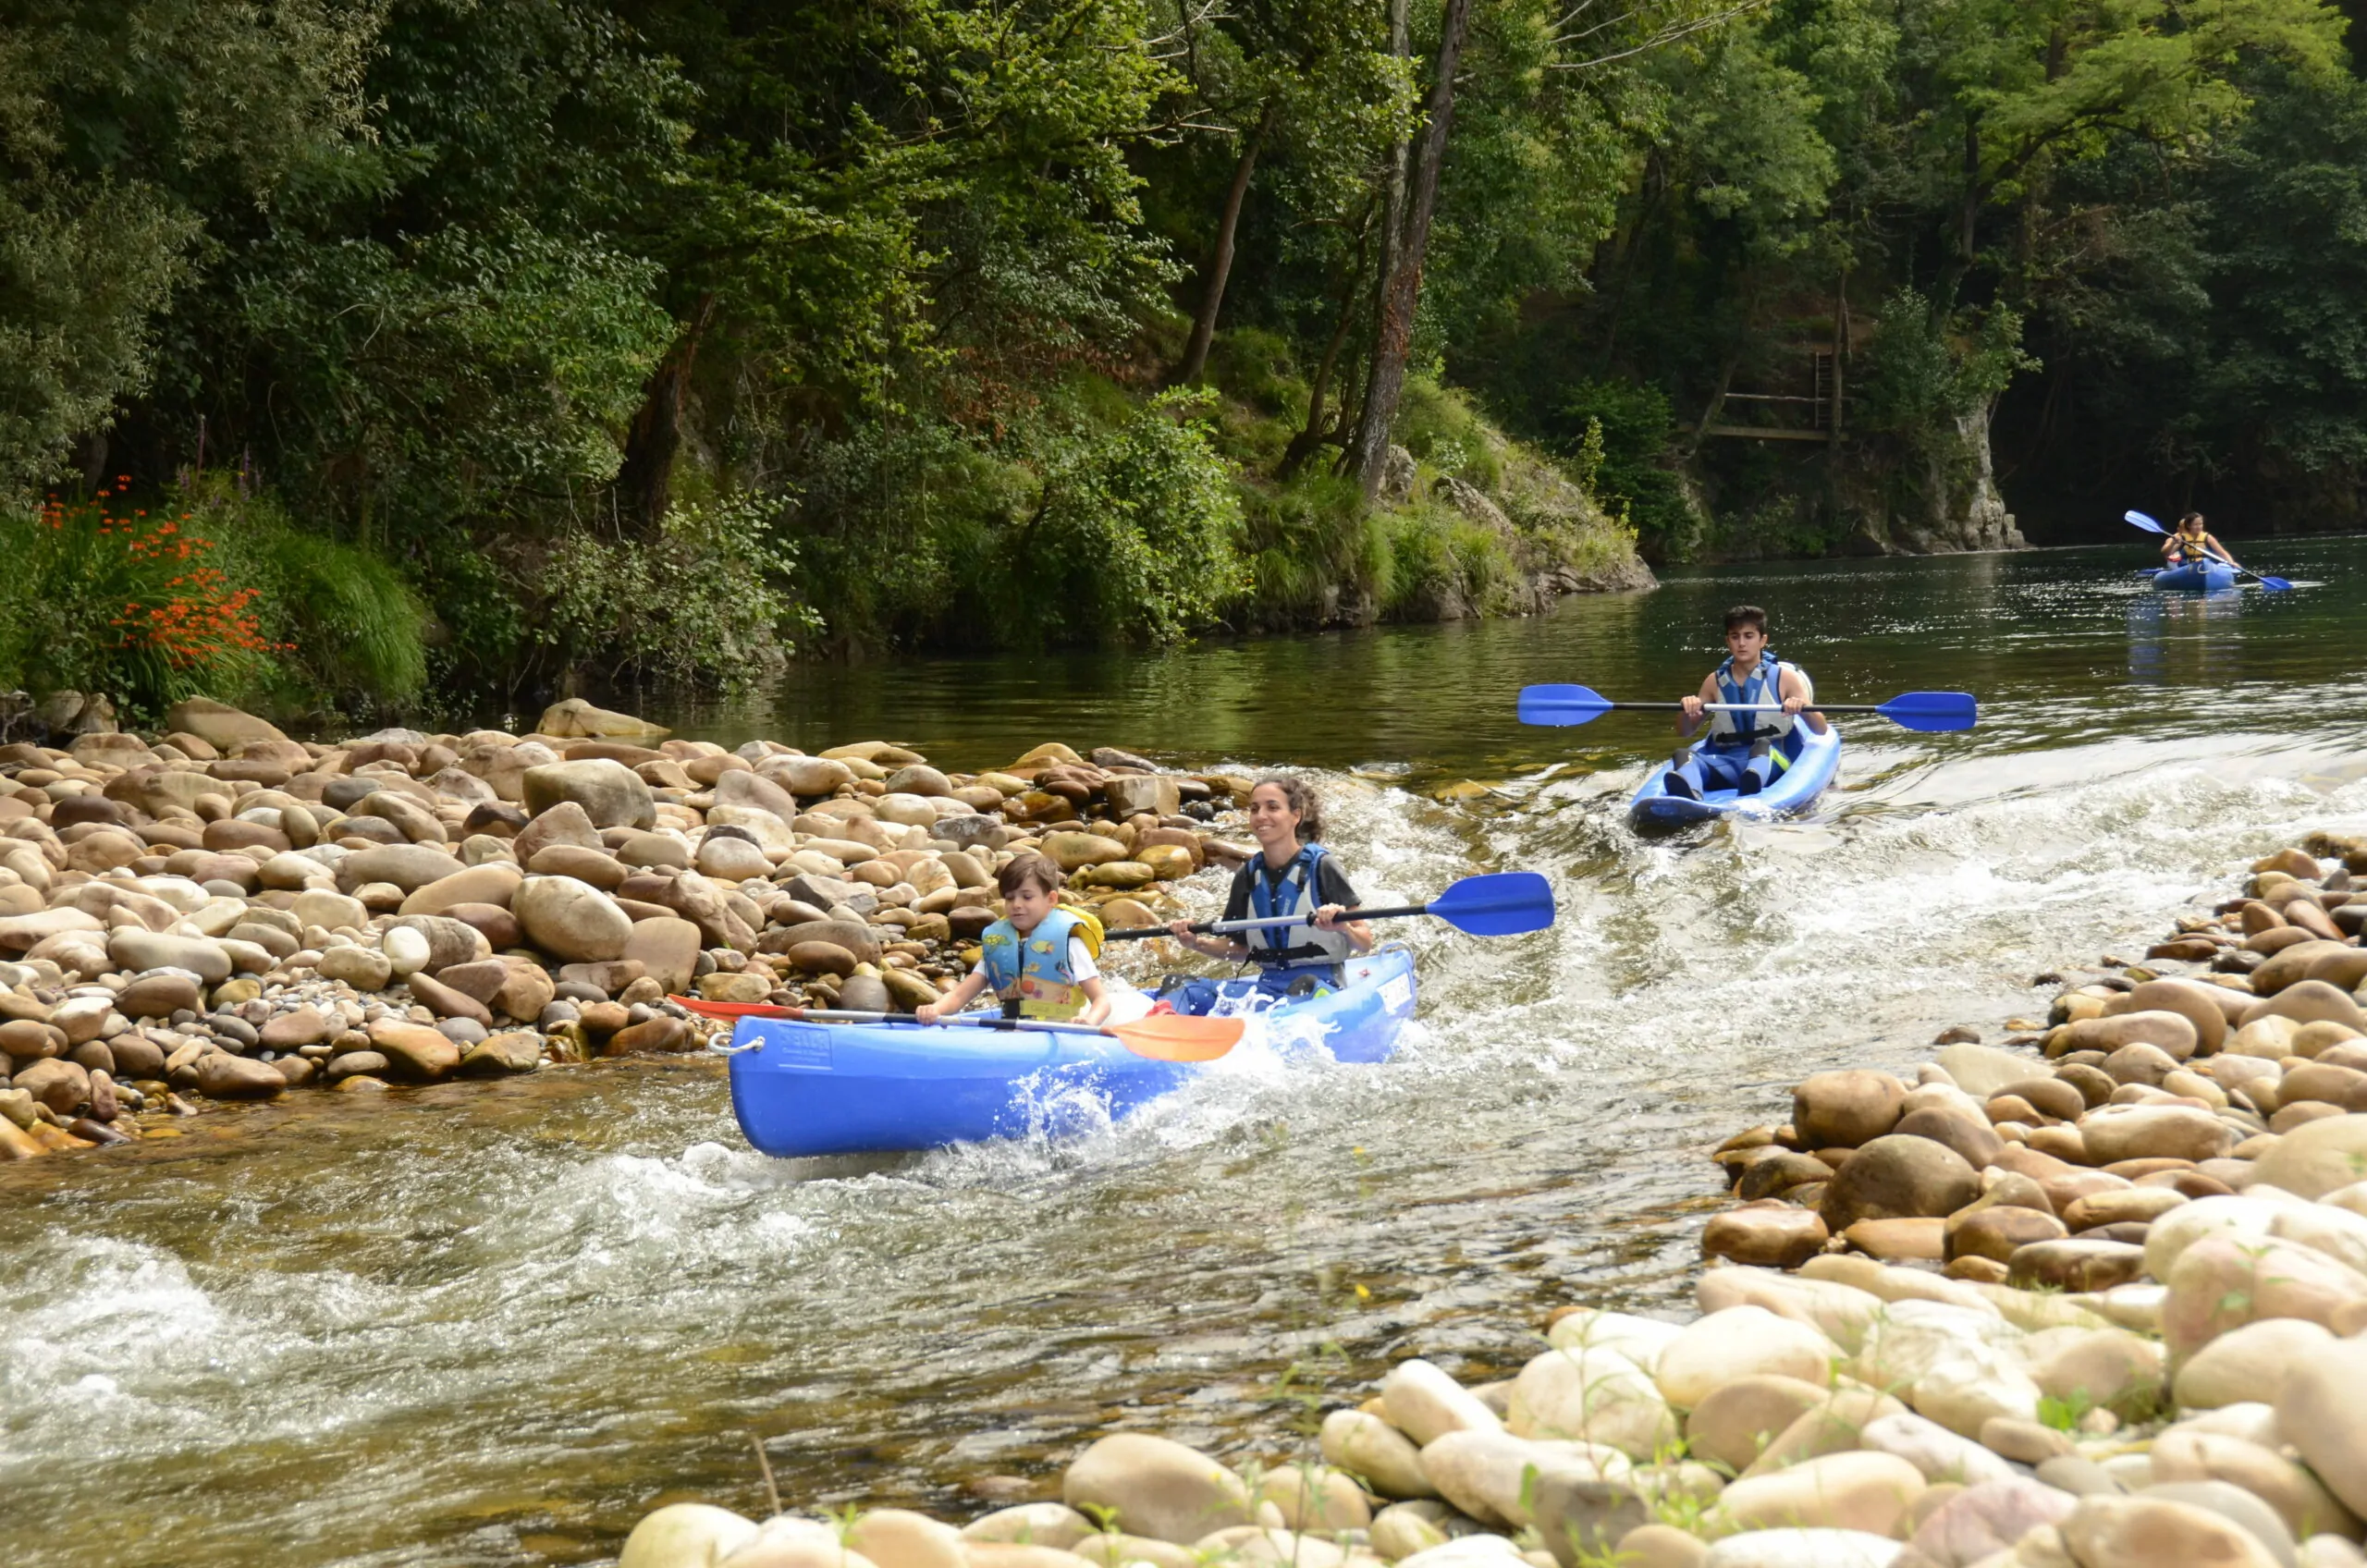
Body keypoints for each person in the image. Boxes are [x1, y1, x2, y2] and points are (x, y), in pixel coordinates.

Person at [1165, 776, 1374, 999]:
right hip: (1267, 989)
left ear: (1296, 815)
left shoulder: (1322, 866)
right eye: (1254, 809)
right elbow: (1240, 948)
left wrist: (1342, 927)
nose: (1261, 815)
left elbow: (1365, 942)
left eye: (1272, 807)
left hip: (1321, 985)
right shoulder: (1248, 876)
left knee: (1304, 986)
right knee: (1177, 985)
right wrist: (1195, 942)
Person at [917, 852, 1110, 1025]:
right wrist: (936, 1010)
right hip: (1012, 1030)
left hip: (1061, 1030)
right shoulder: (1000, 944)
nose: (1016, 904)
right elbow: (960, 995)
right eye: (1010, 898)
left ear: (1051, 899)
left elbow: (1101, 1001)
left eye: (1027, 897)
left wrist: (1088, 1022)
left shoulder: (1070, 944)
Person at [1665, 604, 1828, 801]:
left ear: (1763, 640)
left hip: (1773, 757)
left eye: (1749, 636)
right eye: (1735, 636)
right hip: (1728, 760)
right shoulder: (1714, 682)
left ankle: (1750, 788)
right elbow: (1685, 731)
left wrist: (1802, 708)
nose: (1741, 643)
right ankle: (1691, 796)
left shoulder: (1785, 678)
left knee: (1761, 747)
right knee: (1683, 755)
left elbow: (1820, 729)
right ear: (1728, 641)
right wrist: (1686, 709)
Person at [2163, 512, 2243, 573]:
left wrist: (2232, 562)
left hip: (2207, 567)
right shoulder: (2182, 538)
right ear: (2189, 525)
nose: (2199, 527)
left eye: (2200, 524)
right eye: (2195, 524)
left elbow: (2222, 553)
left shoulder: (2208, 537)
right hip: (2187, 568)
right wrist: (2173, 543)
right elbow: (2167, 553)